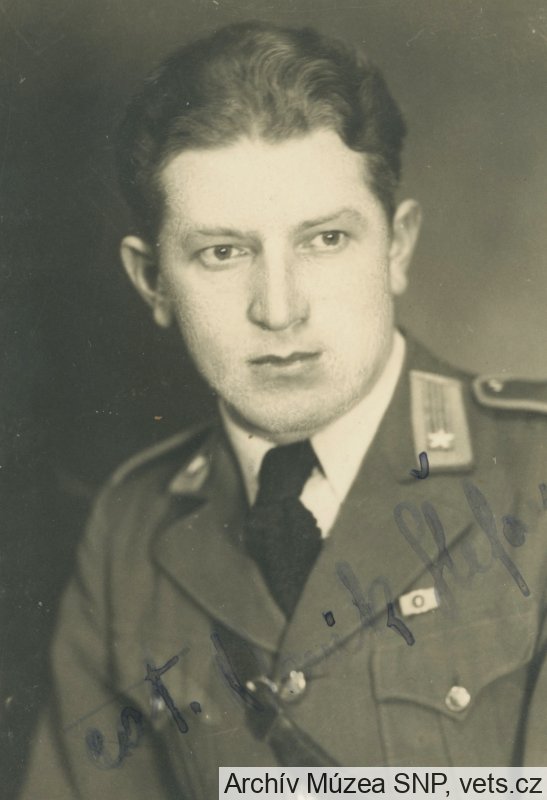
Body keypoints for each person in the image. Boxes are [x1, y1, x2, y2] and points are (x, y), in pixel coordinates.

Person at [22, 20, 547, 799]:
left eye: (325, 239)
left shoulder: (532, 475)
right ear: (152, 283)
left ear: (396, 248)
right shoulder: (130, 526)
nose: (278, 308)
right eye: (222, 252)